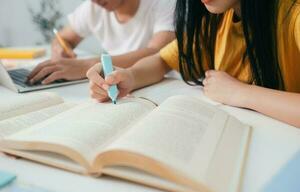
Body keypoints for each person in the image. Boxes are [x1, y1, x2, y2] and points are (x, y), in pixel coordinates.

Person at [87, 0, 300, 128]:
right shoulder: (218, 17)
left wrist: (242, 93)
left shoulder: (294, 14)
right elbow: (162, 60)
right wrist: (129, 76)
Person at [27, 0, 175, 85]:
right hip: (115, 84)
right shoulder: (93, 7)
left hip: (159, 84)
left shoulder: (164, 3)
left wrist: (87, 65)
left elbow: (158, 53)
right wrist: (60, 49)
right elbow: (62, 38)